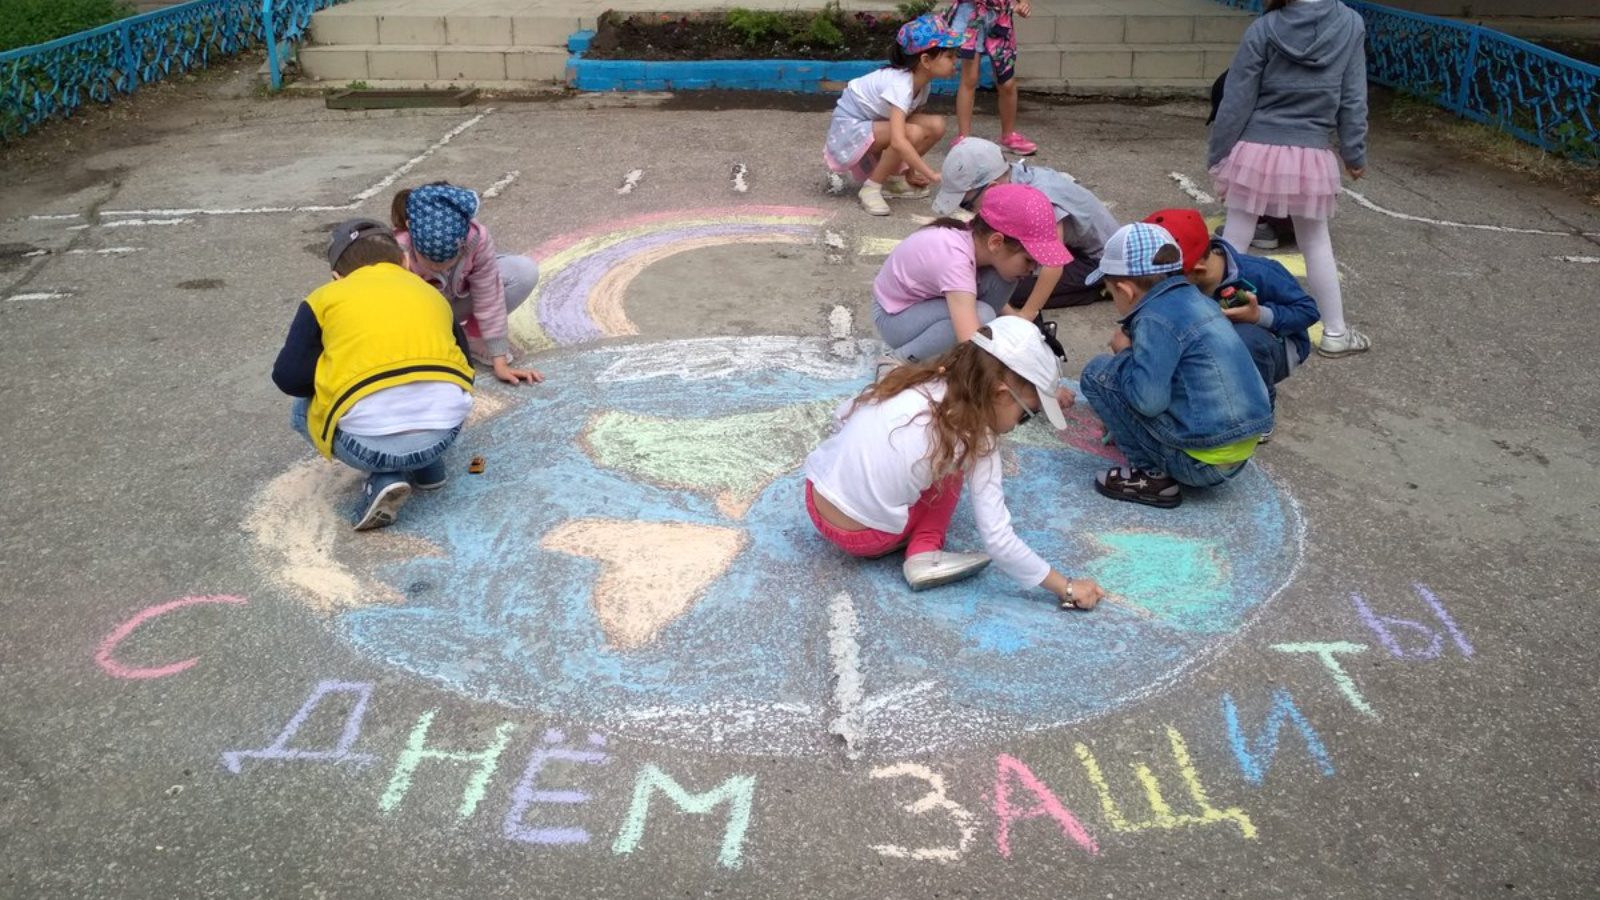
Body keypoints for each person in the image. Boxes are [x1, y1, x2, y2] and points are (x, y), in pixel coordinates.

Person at [804, 316, 1107, 609]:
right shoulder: (977, 437)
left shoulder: (920, 378)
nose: (1019, 424)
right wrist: (1066, 586)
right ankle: (924, 551)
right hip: (866, 537)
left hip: (816, 500)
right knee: (952, 464)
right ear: (1001, 394)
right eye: (1029, 414)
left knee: (931, 456)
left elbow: (841, 416)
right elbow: (998, 540)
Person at [272, 219, 475, 531]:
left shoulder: (324, 299)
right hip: (442, 435)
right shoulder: (431, 294)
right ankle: (427, 468)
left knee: (303, 409)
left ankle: (384, 479)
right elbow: (466, 365)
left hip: (366, 447)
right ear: (405, 261)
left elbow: (289, 378)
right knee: (434, 379)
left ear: (336, 277)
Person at [1207, 0, 1370, 357]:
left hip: (1255, 148)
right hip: (1311, 151)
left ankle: (1211, 320)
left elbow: (1236, 98)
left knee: (1234, 238)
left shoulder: (1265, 27)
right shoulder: (1350, 24)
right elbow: (1354, 97)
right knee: (1315, 241)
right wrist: (1354, 153)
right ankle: (1335, 332)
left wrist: (1219, 154)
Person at [1078, 223, 1273, 509]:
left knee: (1099, 373)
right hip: (1240, 452)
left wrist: (1124, 354)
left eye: (1110, 294)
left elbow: (1148, 402)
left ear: (1125, 290)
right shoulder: (1198, 299)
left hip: (1198, 463)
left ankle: (1149, 476)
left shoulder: (1153, 319)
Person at [1145, 208, 1320, 437]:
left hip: (1273, 346)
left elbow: (1308, 310)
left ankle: (1259, 413)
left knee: (1246, 337)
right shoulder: (1188, 278)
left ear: (1197, 271)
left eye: (1165, 278)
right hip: (1214, 343)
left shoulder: (1260, 272)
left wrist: (1260, 316)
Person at [873, 183, 1071, 364]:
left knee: (1003, 281)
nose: (1033, 269)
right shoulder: (955, 260)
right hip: (893, 319)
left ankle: (952, 352)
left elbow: (997, 315)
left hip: (920, 309)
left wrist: (1018, 325)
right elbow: (971, 339)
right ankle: (898, 360)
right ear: (996, 242)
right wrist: (1028, 381)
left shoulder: (976, 243)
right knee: (983, 315)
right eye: (1029, 260)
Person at [933, 137, 1119, 309]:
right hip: (1070, 245)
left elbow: (1053, 264)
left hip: (1097, 261)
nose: (971, 212)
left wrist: (1028, 313)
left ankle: (1102, 288)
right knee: (996, 268)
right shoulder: (1009, 177)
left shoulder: (1038, 201)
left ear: (992, 189)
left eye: (967, 205)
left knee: (1002, 287)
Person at [391, 182, 545, 383]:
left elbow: (489, 296)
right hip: (418, 317)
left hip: (454, 305)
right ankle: (440, 340)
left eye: (449, 261)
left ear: (463, 239)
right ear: (411, 230)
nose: (439, 269)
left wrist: (500, 363)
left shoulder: (476, 239)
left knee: (523, 271)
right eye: (430, 262)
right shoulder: (396, 248)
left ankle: (472, 337)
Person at [823, 14, 961, 216]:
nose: (955, 61)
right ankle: (872, 187)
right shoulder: (901, 85)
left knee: (936, 125)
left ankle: (891, 177)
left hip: (873, 125)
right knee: (909, 133)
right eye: (949, 56)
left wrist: (911, 172)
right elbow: (899, 140)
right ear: (925, 60)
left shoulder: (922, 84)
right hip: (849, 132)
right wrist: (929, 173)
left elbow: (906, 125)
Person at [944, 0, 1036, 155]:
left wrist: (1023, 3)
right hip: (970, 14)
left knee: (1007, 82)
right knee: (970, 77)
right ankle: (964, 138)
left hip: (999, 16)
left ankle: (1009, 136)